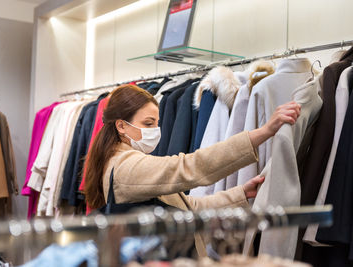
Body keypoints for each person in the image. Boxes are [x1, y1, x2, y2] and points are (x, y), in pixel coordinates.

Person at [83, 84, 300, 256]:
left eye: (157, 123)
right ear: (121, 126)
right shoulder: (126, 166)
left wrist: (241, 193)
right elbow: (191, 167)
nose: (156, 131)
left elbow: (188, 206)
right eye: (148, 124)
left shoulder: (124, 161)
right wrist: (263, 133)